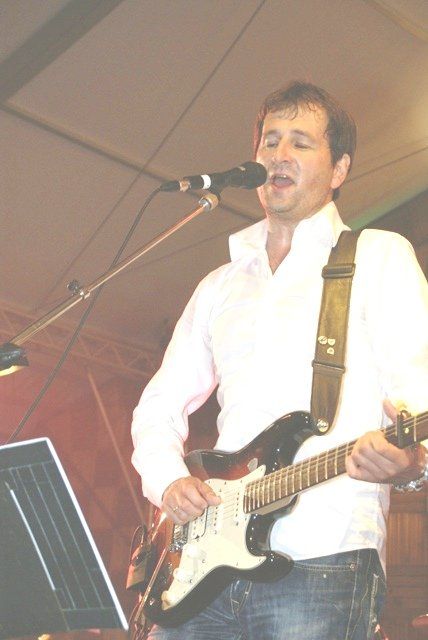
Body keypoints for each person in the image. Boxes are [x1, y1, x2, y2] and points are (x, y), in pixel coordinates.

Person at [131, 81, 428, 640]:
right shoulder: (220, 284)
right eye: (270, 141)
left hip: (325, 553)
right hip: (204, 563)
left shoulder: (378, 256)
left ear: (339, 169)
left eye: (300, 142)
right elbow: (158, 405)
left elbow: (417, 391)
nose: (279, 155)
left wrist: (410, 462)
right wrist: (169, 481)